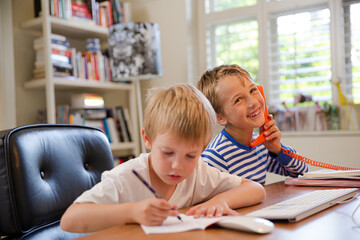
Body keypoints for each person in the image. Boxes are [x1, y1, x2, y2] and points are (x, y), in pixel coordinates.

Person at [60, 83, 265, 233]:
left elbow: (256, 189)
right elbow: (69, 220)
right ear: (147, 139)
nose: (178, 166)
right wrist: (133, 212)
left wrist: (221, 200)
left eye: (191, 155)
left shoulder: (198, 172)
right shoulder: (126, 176)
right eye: (167, 153)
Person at [197, 64, 309, 185]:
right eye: (238, 100)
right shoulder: (215, 156)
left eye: (252, 90)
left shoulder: (261, 145)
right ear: (220, 117)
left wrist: (276, 149)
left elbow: (301, 171)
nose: (253, 102)